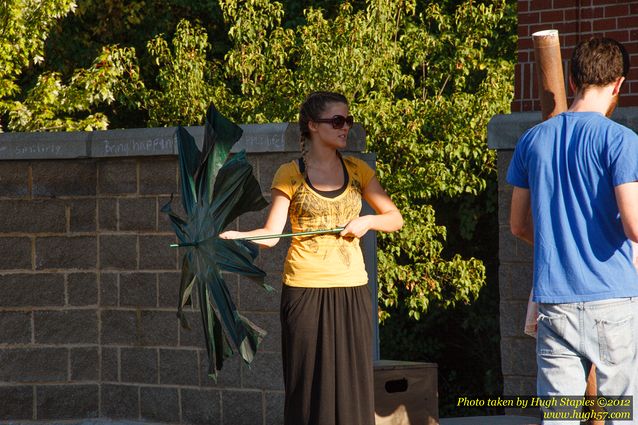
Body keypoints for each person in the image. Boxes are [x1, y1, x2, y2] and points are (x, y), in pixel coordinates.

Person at [220, 91, 403, 425]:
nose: (345, 127)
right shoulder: (290, 174)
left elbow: (394, 218)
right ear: (312, 126)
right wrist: (240, 238)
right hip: (304, 290)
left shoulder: (359, 171)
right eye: (337, 121)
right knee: (307, 384)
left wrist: (367, 221)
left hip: (352, 290)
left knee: (352, 384)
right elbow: (273, 234)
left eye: (348, 120)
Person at [507, 37, 638, 424]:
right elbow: (633, 225)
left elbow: (517, 225)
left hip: (554, 301)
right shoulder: (621, 141)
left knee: (560, 418)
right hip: (611, 299)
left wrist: (556, 244)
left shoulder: (532, 140)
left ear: (571, 78)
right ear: (618, 84)